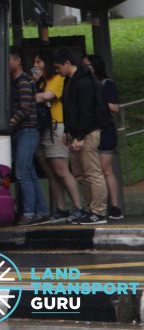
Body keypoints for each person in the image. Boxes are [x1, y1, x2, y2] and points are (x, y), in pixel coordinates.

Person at [55, 47, 109, 224]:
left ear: (67, 63)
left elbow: (86, 111)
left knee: (92, 172)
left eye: (58, 67)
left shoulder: (83, 81)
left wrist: (79, 136)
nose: (57, 70)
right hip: (77, 132)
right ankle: (90, 208)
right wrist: (68, 132)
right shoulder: (71, 80)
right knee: (80, 173)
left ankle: (99, 210)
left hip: (86, 132)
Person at [32, 51, 83, 221]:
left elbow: (47, 96)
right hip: (41, 128)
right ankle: (60, 208)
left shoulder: (57, 79)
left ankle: (77, 206)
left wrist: (25, 97)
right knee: (50, 171)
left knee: (61, 169)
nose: (36, 65)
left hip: (55, 125)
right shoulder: (40, 81)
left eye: (39, 61)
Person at [9, 47, 48, 224]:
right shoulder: (18, 81)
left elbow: (24, 108)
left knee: (22, 171)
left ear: (17, 61)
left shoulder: (23, 82)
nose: (7, 63)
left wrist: (10, 122)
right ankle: (41, 209)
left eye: (9, 59)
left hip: (27, 130)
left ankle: (29, 212)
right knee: (30, 172)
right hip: (25, 130)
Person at [84, 54, 124, 220]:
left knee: (105, 169)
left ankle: (115, 206)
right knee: (95, 170)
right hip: (93, 129)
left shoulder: (106, 84)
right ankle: (99, 205)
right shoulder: (88, 84)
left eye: (88, 66)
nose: (86, 69)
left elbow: (115, 107)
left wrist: (97, 101)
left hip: (106, 130)